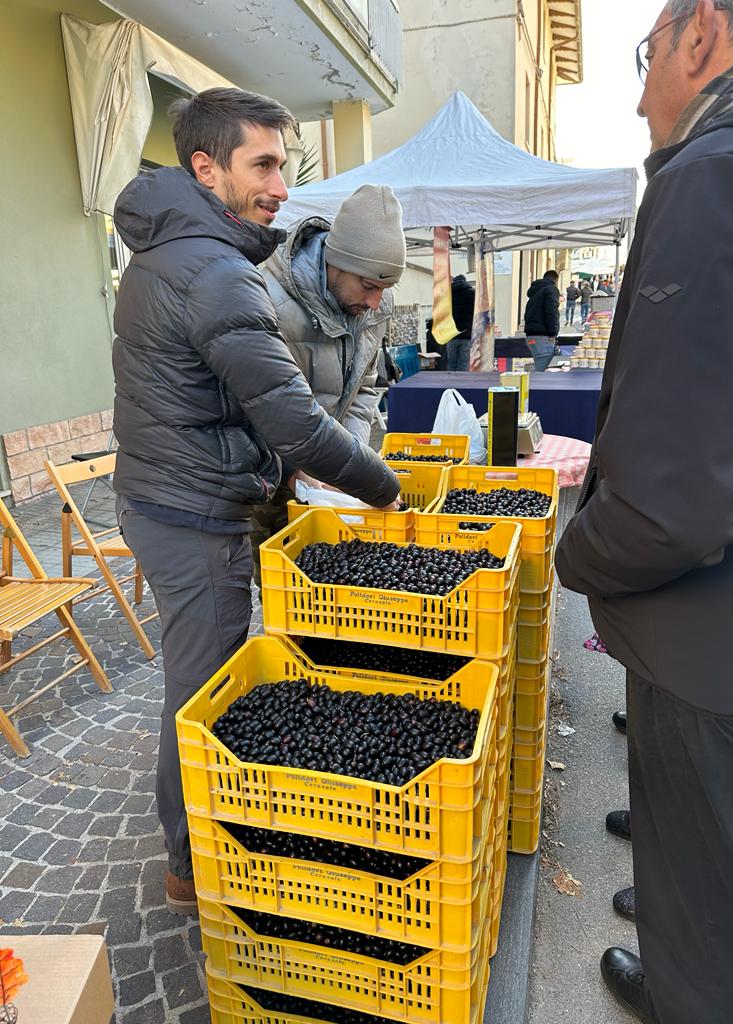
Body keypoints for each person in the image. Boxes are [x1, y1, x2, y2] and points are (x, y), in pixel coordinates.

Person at [110, 88, 400, 915]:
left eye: (286, 163)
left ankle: (193, 845)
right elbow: (299, 426)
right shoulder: (216, 272)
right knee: (199, 694)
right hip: (192, 512)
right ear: (207, 168)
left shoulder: (182, 255)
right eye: (263, 163)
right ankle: (188, 867)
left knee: (202, 680)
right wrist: (386, 490)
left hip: (179, 497)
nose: (280, 184)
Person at [555, 2, 733, 1021]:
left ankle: (691, 977)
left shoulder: (719, 173)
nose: (640, 97)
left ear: (701, 37)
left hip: (718, 650)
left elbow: (670, 508)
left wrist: (577, 549)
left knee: (721, 936)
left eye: (645, 61)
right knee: (726, 870)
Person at [250, 184, 407, 583]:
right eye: (369, 286)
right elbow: (251, 405)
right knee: (284, 591)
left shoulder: (374, 307)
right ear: (335, 262)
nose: (376, 302)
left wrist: (343, 465)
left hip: (324, 474)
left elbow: (364, 389)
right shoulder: (267, 301)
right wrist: (296, 472)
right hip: (267, 476)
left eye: (385, 289)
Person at [523, 269, 560, 370]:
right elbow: (551, 312)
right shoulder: (551, 289)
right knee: (543, 372)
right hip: (543, 337)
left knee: (540, 368)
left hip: (531, 336)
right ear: (556, 280)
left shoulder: (536, 292)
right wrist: (553, 333)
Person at [445, 274, 476, 371]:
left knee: (451, 364)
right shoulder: (473, 294)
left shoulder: (448, 295)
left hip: (451, 335)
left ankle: (451, 385)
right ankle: (460, 384)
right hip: (467, 335)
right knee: (463, 364)